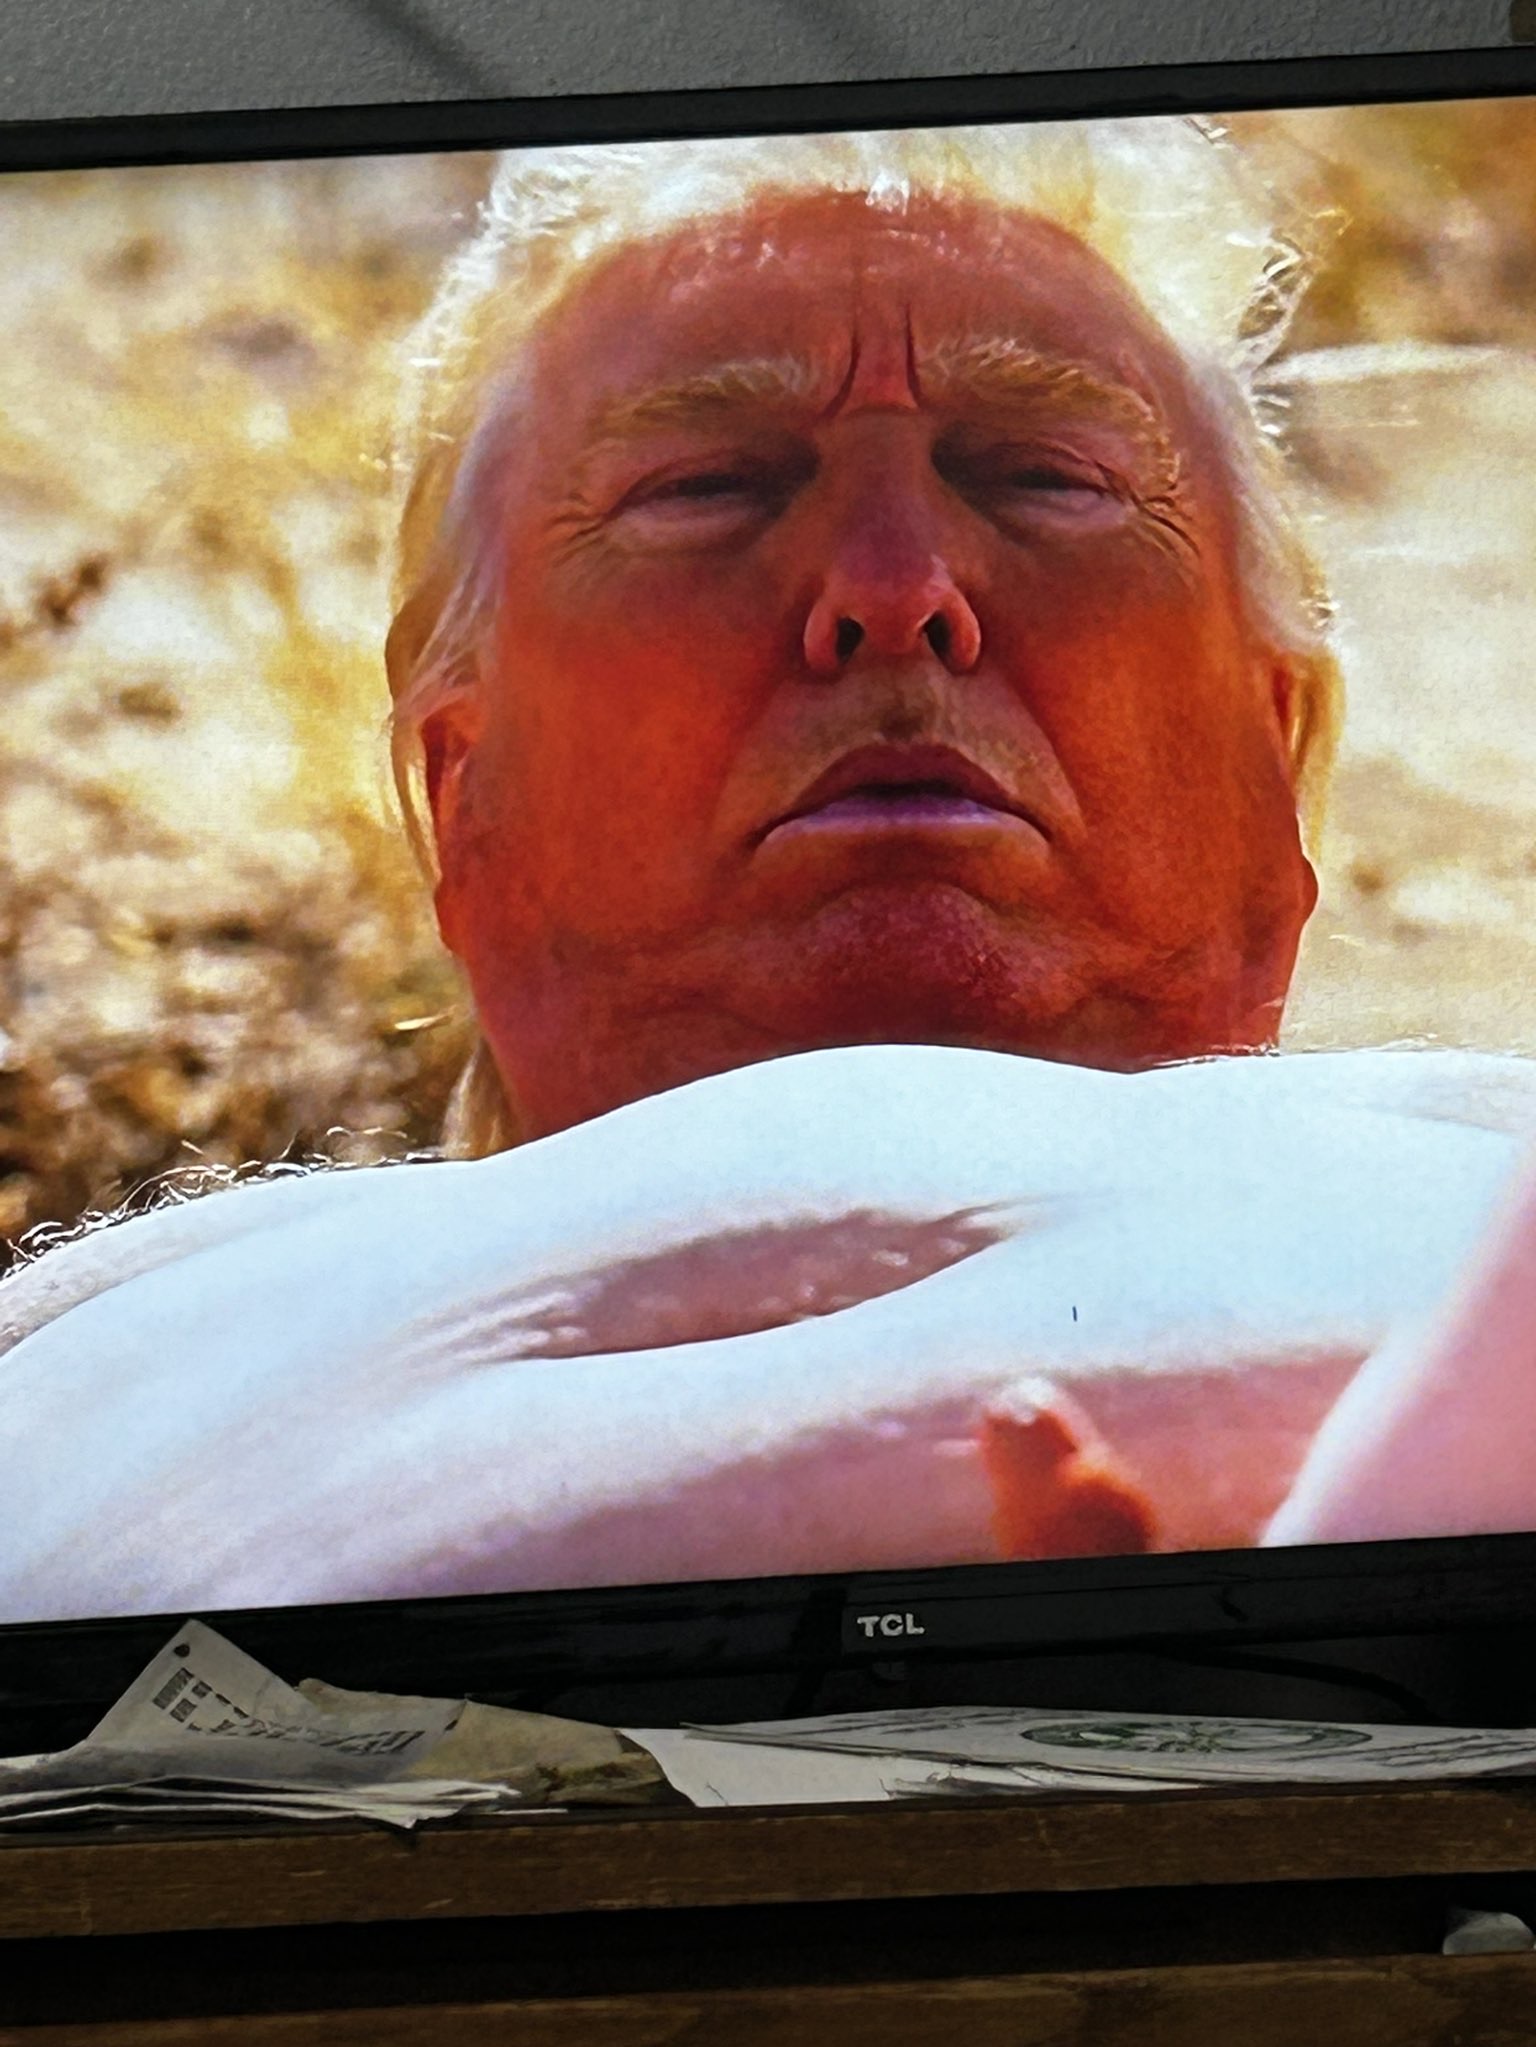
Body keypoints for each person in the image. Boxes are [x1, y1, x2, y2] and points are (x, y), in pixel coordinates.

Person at [0, 120, 1531, 1624]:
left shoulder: (1489, 1158)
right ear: (462, 795)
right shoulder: (140, 1317)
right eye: (706, 488)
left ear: (1273, 754)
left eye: (1045, 476)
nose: (894, 588)